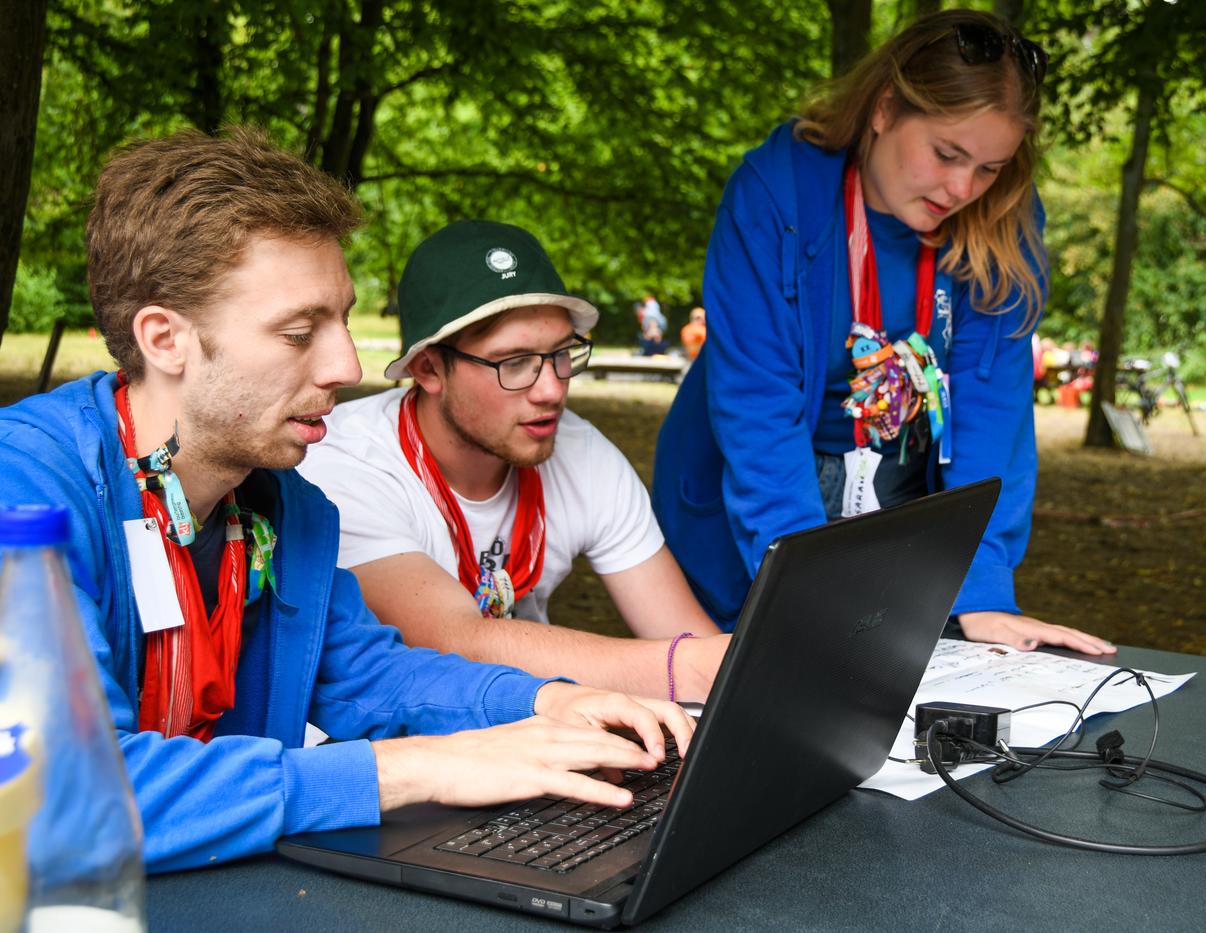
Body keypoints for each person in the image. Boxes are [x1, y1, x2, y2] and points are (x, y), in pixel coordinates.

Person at [0, 128, 692, 874]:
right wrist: (420, 768)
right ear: (165, 338)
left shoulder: (281, 505)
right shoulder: (25, 493)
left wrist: (551, 703)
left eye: (341, 319)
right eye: (299, 333)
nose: (347, 365)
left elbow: (371, 674)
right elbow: (59, 795)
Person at [652, 9, 1114, 656]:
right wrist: (806, 594)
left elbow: (993, 410)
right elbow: (758, 408)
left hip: (900, 486)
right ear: (884, 107)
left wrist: (980, 588)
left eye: (989, 167)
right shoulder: (776, 193)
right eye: (947, 153)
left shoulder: (1005, 215)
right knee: (762, 681)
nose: (962, 188)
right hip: (755, 490)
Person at [299, 220, 727, 701]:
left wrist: (708, 665)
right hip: (374, 752)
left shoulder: (581, 452)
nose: (552, 390)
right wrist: (683, 666)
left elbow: (694, 643)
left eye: (561, 354)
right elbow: (455, 643)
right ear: (428, 368)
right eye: (513, 362)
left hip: (538, 727)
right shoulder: (342, 462)